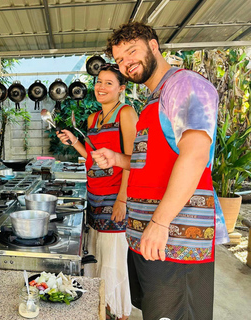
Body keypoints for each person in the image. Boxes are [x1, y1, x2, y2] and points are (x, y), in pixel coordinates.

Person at [92, 22, 219, 320]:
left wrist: (160, 223)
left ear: (153, 45)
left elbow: (195, 153)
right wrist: (118, 159)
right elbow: (150, 164)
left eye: (131, 52)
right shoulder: (153, 99)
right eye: (120, 59)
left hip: (174, 242)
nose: (126, 63)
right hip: (150, 242)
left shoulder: (183, 85)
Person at [57, 66, 137, 320]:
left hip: (115, 197)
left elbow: (134, 159)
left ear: (121, 89)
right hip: (94, 196)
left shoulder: (126, 113)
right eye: (99, 82)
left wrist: (122, 200)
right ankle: (101, 311)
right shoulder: (92, 119)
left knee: (114, 263)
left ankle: (120, 314)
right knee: (97, 260)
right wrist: (75, 141)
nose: (101, 87)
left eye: (109, 83)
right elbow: (92, 158)